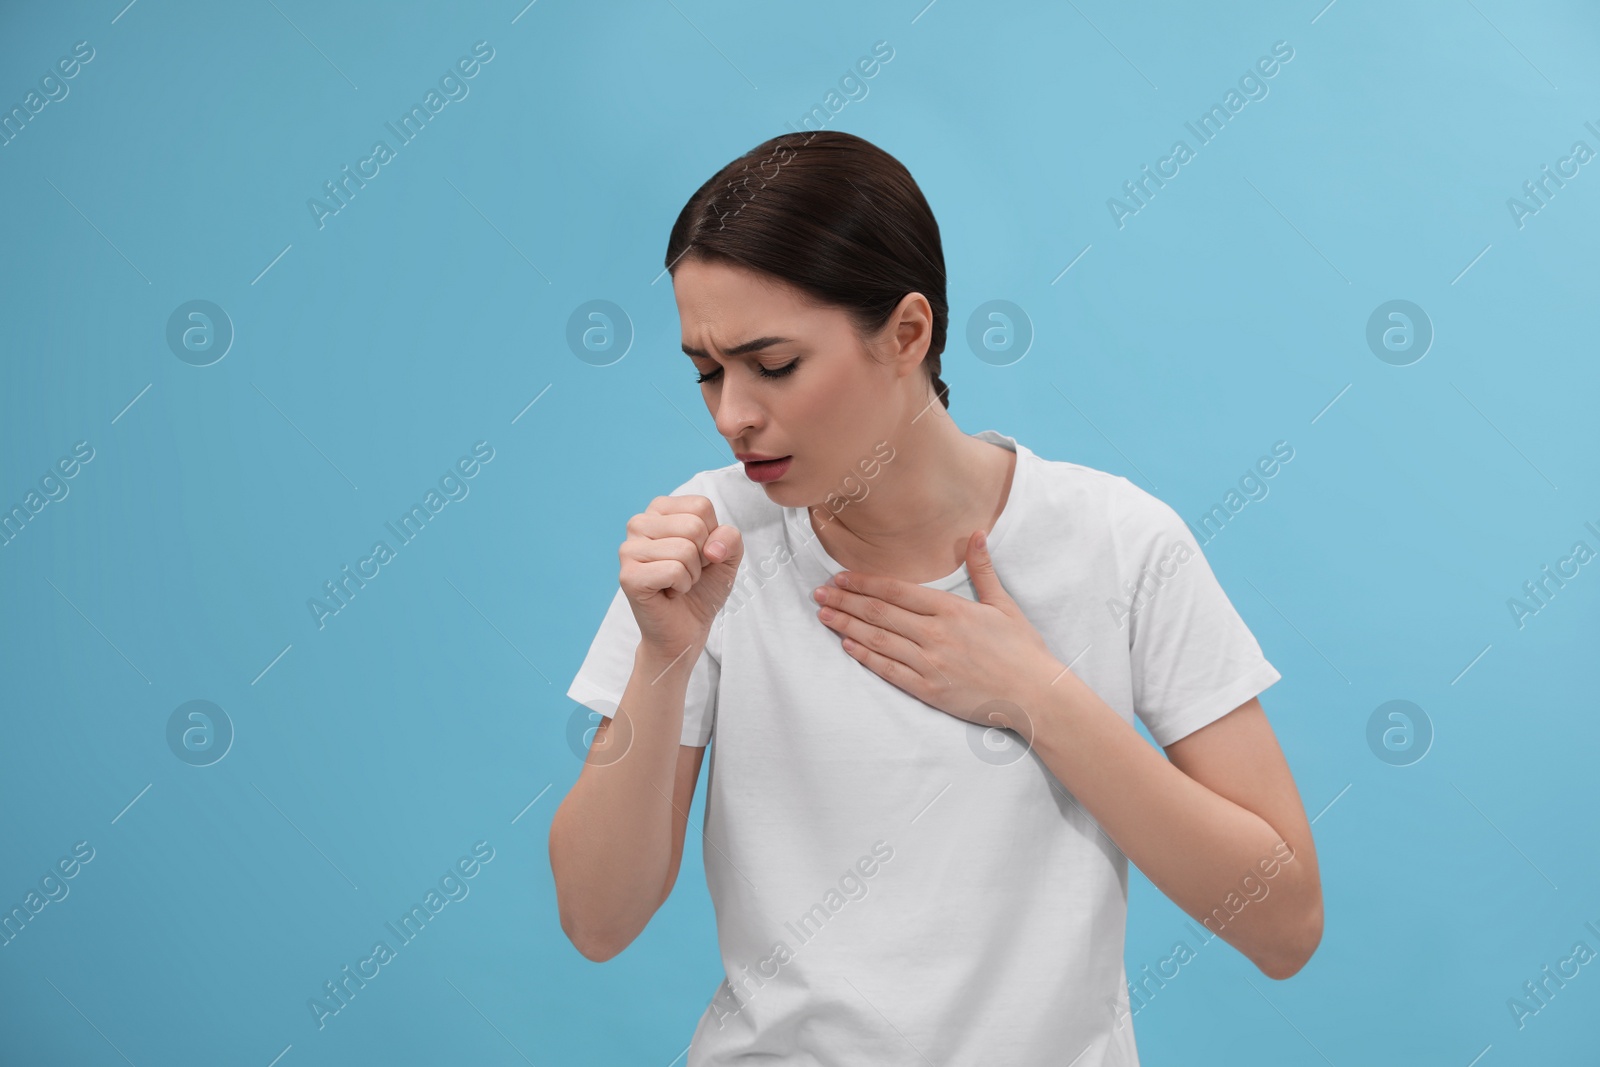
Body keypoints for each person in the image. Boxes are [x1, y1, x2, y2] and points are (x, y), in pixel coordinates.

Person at [548, 130, 1323, 1065]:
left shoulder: (1120, 544)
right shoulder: (707, 541)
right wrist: (660, 655)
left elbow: (1283, 924)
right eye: (707, 371)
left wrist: (1039, 699)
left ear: (908, 333)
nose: (732, 414)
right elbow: (596, 920)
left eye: (774, 363)